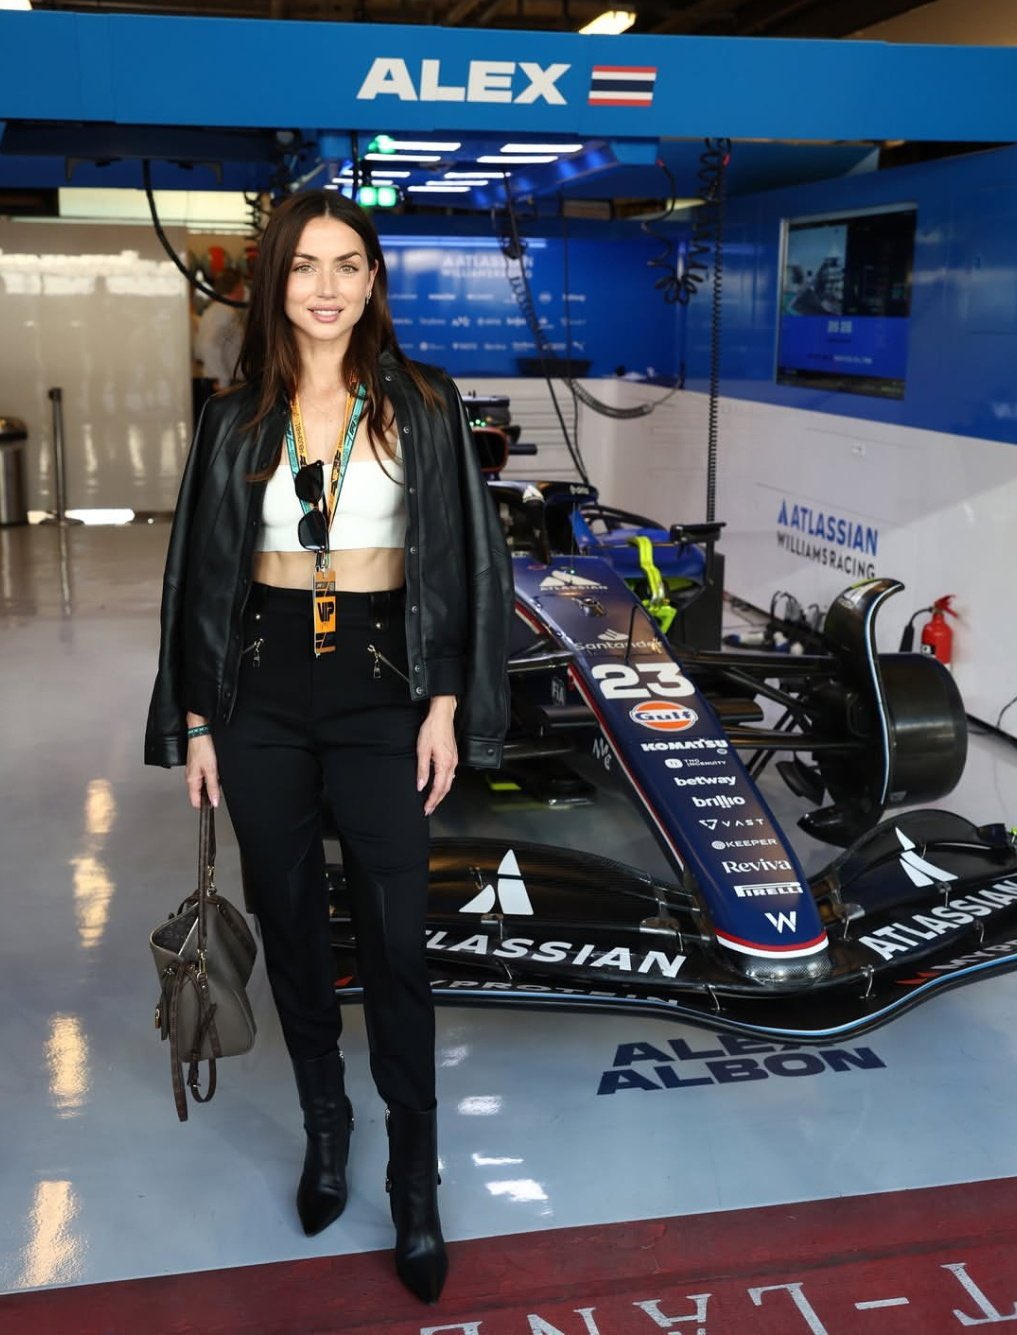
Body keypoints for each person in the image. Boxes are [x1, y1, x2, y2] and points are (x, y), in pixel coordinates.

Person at [145, 190, 513, 1304]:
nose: (325, 286)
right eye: (305, 265)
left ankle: (415, 1175)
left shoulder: (425, 403)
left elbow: (460, 565)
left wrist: (446, 699)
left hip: (381, 686)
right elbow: (199, 582)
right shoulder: (233, 416)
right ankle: (325, 1123)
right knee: (293, 922)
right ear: (275, 282)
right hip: (260, 689)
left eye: (347, 264)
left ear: (373, 280)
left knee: (399, 938)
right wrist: (199, 717)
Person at [194, 265, 246, 390]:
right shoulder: (227, 312)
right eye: (242, 286)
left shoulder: (210, 310)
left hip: (214, 379)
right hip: (226, 383)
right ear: (237, 287)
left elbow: (199, 351)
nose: (244, 290)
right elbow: (209, 346)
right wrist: (224, 382)